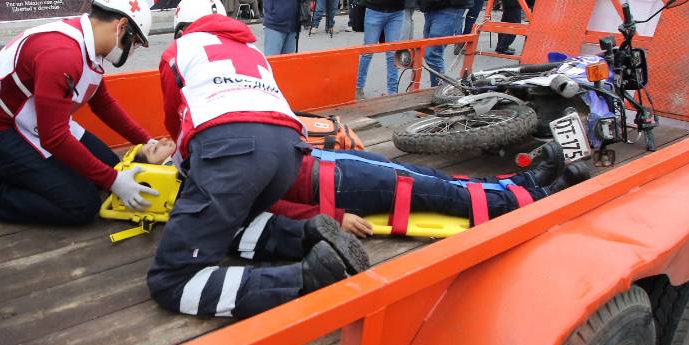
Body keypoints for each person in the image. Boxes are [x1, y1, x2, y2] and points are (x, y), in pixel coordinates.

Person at [148, 0, 369, 319]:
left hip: (234, 150)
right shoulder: (251, 49)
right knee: (231, 222)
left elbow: (176, 122)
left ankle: (304, 279)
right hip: (289, 152)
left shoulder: (178, 50)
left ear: (181, 28)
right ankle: (305, 234)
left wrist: (183, 170)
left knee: (171, 279)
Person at [0, 0, 157, 225]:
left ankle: (23, 175)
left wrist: (146, 140)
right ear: (122, 27)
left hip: (35, 122)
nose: (132, 50)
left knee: (111, 169)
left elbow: (102, 104)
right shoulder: (62, 54)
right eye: (135, 43)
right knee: (82, 205)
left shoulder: (91, 47)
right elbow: (54, 138)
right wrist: (113, 181)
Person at [135, 137, 589, 237]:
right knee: (438, 194)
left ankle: (523, 183)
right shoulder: (200, 177)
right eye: (149, 152)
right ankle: (535, 201)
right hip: (333, 185)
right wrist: (333, 219)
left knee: (432, 180)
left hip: (331, 165)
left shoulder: (198, 151)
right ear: (154, 176)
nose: (154, 141)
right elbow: (264, 209)